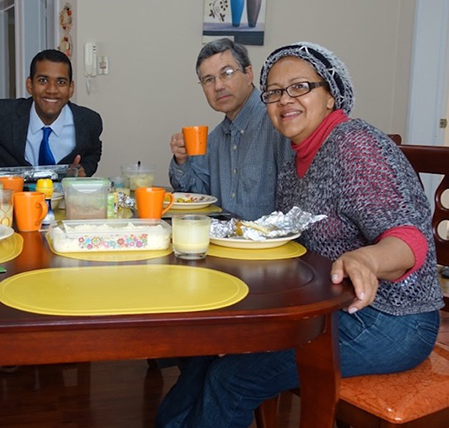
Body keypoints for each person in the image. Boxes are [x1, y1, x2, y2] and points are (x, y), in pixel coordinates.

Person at [155, 42, 444, 428]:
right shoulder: (297, 157)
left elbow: (409, 237)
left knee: (232, 378)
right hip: (328, 306)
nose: (283, 100)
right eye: (274, 92)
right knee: (213, 345)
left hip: (390, 320)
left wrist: (368, 259)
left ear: (330, 95)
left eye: (300, 87)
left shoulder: (354, 142)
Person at [168, 38, 291, 220]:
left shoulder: (278, 123)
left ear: (248, 74)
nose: (218, 86)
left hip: (270, 245)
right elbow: (196, 196)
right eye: (208, 80)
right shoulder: (215, 140)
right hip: (224, 243)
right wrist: (182, 160)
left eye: (226, 73)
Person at [0, 49, 103, 177]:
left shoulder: (89, 121)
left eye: (61, 82)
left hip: (65, 209)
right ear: (30, 85)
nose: (52, 90)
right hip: (12, 209)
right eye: (43, 80)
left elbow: (93, 152)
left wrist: (84, 170)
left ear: (71, 88)